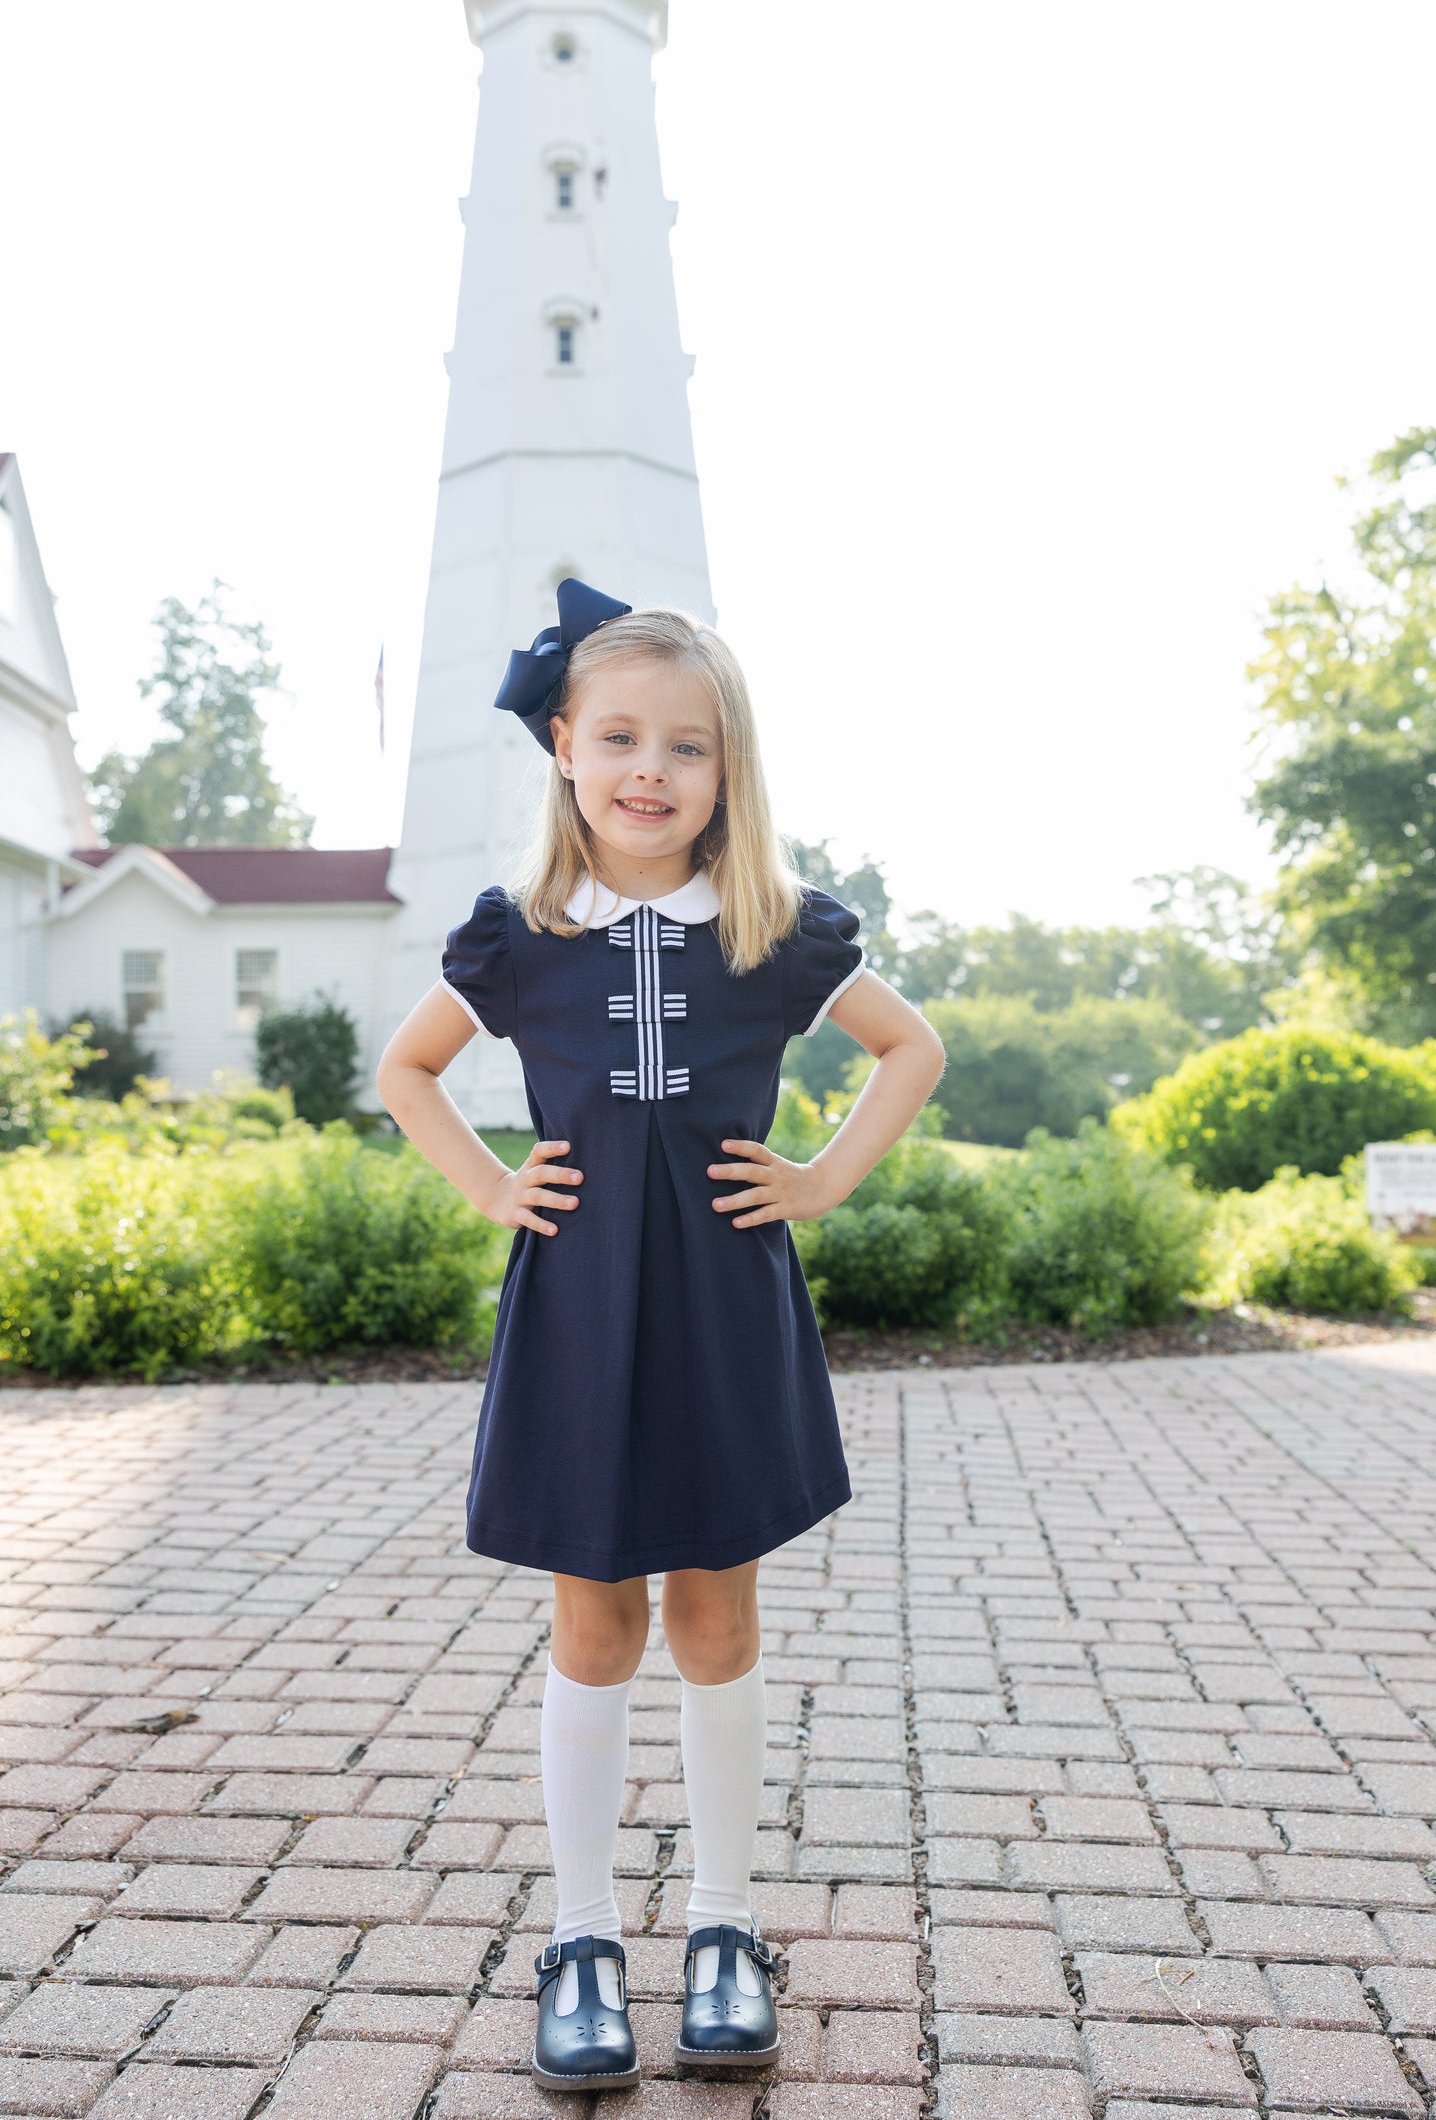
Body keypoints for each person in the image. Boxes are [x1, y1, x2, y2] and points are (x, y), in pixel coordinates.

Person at [376, 580, 944, 2091]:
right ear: (564, 746)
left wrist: (819, 1177)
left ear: (726, 768)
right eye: (619, 737)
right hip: (580, 1312)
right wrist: (493, 1185)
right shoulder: (522, 938)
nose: (650, 770)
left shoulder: (773, 934)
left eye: (687, 746)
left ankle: (722, 1927)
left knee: (715, 1618)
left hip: (723, 1308)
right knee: (594, 1624)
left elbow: (911, 1047)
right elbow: (407, 1070)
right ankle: (579, 1941)